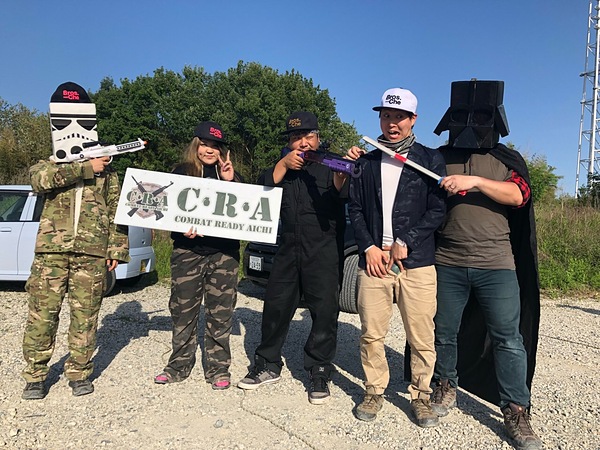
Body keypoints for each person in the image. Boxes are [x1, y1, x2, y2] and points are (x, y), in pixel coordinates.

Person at [431, 79, 542, 449]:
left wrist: (475, 181)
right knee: (444, 331)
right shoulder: (438, 157)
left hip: (497, 263)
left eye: (480, 115)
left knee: (508, 338)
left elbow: (519, 194)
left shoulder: (505, 160)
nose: (471, 122)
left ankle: (516, 409)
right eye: (464, 114)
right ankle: (445, 384)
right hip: (447, 260)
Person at [21, 81, 129, 399]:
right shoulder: (49, 164)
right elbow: (39, 182)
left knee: (85, 317)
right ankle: (35, 376)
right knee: (42, 315)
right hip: (51, 252)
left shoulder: (107, 173)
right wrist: (83, 168)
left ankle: (79, 372)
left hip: (91, 252)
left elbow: (117, 210)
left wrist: (116, 248)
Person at [346, 88, 446, 426]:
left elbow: (438, 209)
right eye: (386, 115)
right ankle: (374, 390)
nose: (392, 123)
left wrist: (408, 240)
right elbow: (355, 208)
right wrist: (368, 247)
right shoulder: (367, 160)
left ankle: (421, 395)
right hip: (375, 262)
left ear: (413, 119)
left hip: (416, 263)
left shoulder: (430, 159)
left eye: (399, 117)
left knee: (421, 336)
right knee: (371, 333)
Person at [237, 111, 349, 404]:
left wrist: (341, 178)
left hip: (323, 250)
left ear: (318, 137)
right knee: (275, 306)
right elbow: (258, 194)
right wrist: (283, 166)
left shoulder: (332, 163)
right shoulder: (282, 165)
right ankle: (267, 364)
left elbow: (344, 196)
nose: (302, 142)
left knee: (324, 312)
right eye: (296, 137)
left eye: (308, 136)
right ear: (289, 141)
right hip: (287, 248)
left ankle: (319, 370)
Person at [154, 121, 241, 390]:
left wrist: (231, 181)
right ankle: (178, 365)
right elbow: (166, 209)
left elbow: (245, 211)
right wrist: (180, 226)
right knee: (182, 312)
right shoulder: (180, 172)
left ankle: (218, 368)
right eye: (204, 144)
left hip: (224, 254)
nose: (209, 150)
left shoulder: (230, 174)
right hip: (187, 252)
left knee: (221, 313)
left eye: (215, 146)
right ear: (196, 145)